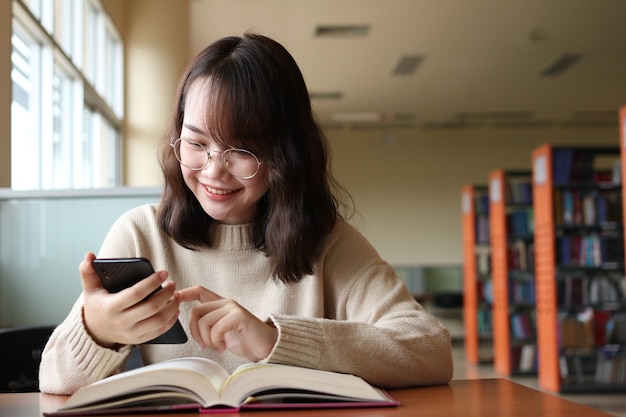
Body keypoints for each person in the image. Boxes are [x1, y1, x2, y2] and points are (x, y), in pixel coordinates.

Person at [39, 32, 453, 395]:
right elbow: (53, 381)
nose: (214, 170)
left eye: (243, 151)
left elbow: (429, 349)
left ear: (286, 155)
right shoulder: (141, 233)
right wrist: (97, 330)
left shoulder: (328, 241)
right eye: (196, 143)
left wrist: (275, 339)